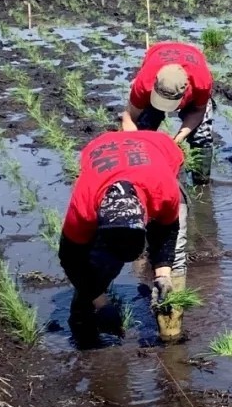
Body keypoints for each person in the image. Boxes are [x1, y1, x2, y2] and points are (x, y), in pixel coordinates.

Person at [59, 131, 187, 344]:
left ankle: (170, 329)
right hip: (102, 147)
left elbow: (167, 232)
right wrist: (101, 302)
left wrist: (163, 276)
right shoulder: (84, 207)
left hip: (159, 149)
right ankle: (83, 322)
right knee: (98, 262)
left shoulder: (164, 191)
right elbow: (71, 258)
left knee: (177, 257)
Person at [120, 41, 215, 184]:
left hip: (192, 59)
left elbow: (198, 111)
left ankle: (201, 181)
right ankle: (138, 176)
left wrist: (177, 139)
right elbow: (128, 118)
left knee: (203, 136)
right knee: (143, 128)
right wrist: (136, 144)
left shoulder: (201, 82)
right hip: (157, 57)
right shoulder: (144, 83)